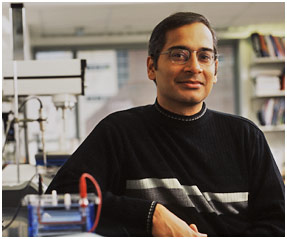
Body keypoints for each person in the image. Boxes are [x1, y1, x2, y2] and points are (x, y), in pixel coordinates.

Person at [46, 12, 285, 236]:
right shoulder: (120, 131)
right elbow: (58, 201)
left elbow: (278, 224)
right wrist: (150, 216)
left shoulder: (246, 137)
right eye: (178, 55)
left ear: (215, 69)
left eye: (204, 56)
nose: (194, 67)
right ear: (152, 67)